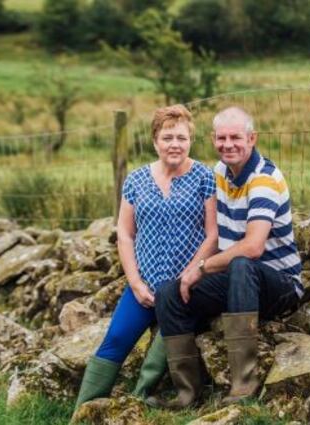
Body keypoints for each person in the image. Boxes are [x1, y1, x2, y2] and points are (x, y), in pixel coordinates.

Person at [154, 106, 303, 408]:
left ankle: (243, 387)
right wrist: (189, 273)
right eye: (221, 138)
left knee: (241, 264)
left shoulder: (264, 178)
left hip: (280, 285)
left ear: (252, 138)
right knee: (169, 292)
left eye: (236, 137)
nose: (228, 144)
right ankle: (187, 393)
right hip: (238, 280)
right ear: (212, 139)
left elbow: (252, 247)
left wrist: (202, 267)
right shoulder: (220, 174)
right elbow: (214, 235)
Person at [74, 105, 218, 407]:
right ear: (155, 141)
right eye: (168, 137)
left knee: (164, 346)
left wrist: (190, 275)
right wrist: (136, 283)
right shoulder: (136, 180)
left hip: (184, 289)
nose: (175, 144)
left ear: (191, 140)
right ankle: (83, 410)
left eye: (181, 137)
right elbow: (125, 235)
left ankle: (137, 404)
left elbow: (212, 235)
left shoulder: (205, 177)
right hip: (144, 283)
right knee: (115, 341)